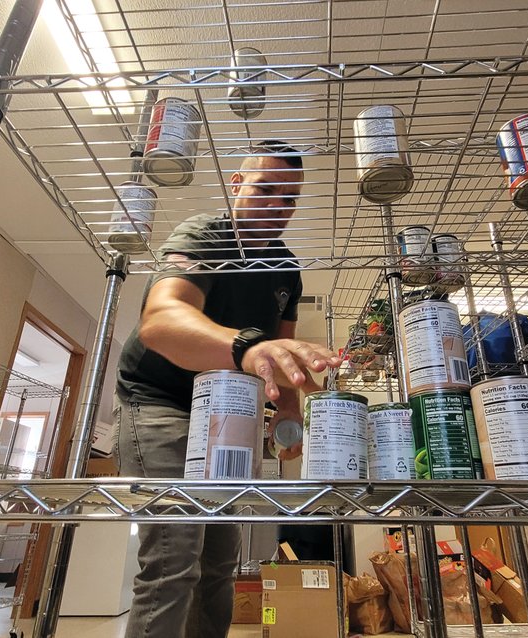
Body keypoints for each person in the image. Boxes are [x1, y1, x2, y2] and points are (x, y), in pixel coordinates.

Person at [114, 140, 340, 638]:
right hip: (158, 402)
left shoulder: (285, 269)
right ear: (236, 184)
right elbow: (160, 320)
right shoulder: (204, 236)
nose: (277, 206)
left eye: (289, 199)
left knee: (220, 561)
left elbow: (281, 356)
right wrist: (245, 348)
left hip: (224, 411)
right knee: (174, 560)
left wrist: (288, 411)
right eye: (266, 189)